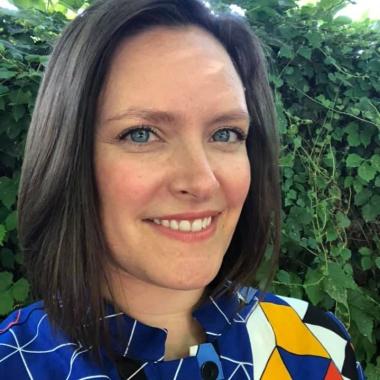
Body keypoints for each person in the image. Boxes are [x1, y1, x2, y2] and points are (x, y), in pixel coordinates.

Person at [0, 0, 364, 379]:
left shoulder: (318, 347)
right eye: (141, 134)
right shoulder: (13, 363)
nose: (202, 180)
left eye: (225, 133)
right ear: (69, 157)